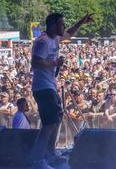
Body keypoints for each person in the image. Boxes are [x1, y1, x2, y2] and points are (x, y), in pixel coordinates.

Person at [31, 13, 93, 169]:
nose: (63, 27)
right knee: (49, 124)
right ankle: (38, 161)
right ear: (52, 25)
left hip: (49, 86)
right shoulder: (43, 41)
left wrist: (81, 22)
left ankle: (50, 154)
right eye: (61, 24)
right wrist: (55, 62)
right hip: (43, 87)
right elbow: (36, 62)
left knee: (57, 117)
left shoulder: (55, 38)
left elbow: (69, 33)